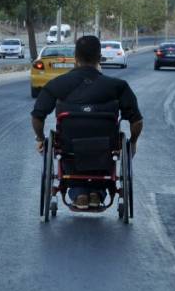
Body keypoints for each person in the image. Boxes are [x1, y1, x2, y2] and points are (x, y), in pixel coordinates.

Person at [31, 35, 143, 209]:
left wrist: (40, 138)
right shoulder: (118, 86)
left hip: (69, 145)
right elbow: (136, 121)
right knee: (102, 147)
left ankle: (79, 193)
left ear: (75, 58)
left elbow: (37, 116)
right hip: (105, 145)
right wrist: (133, 142)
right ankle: (96, 193)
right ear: (99, 58)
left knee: (71, 146)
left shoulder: (57, 84)